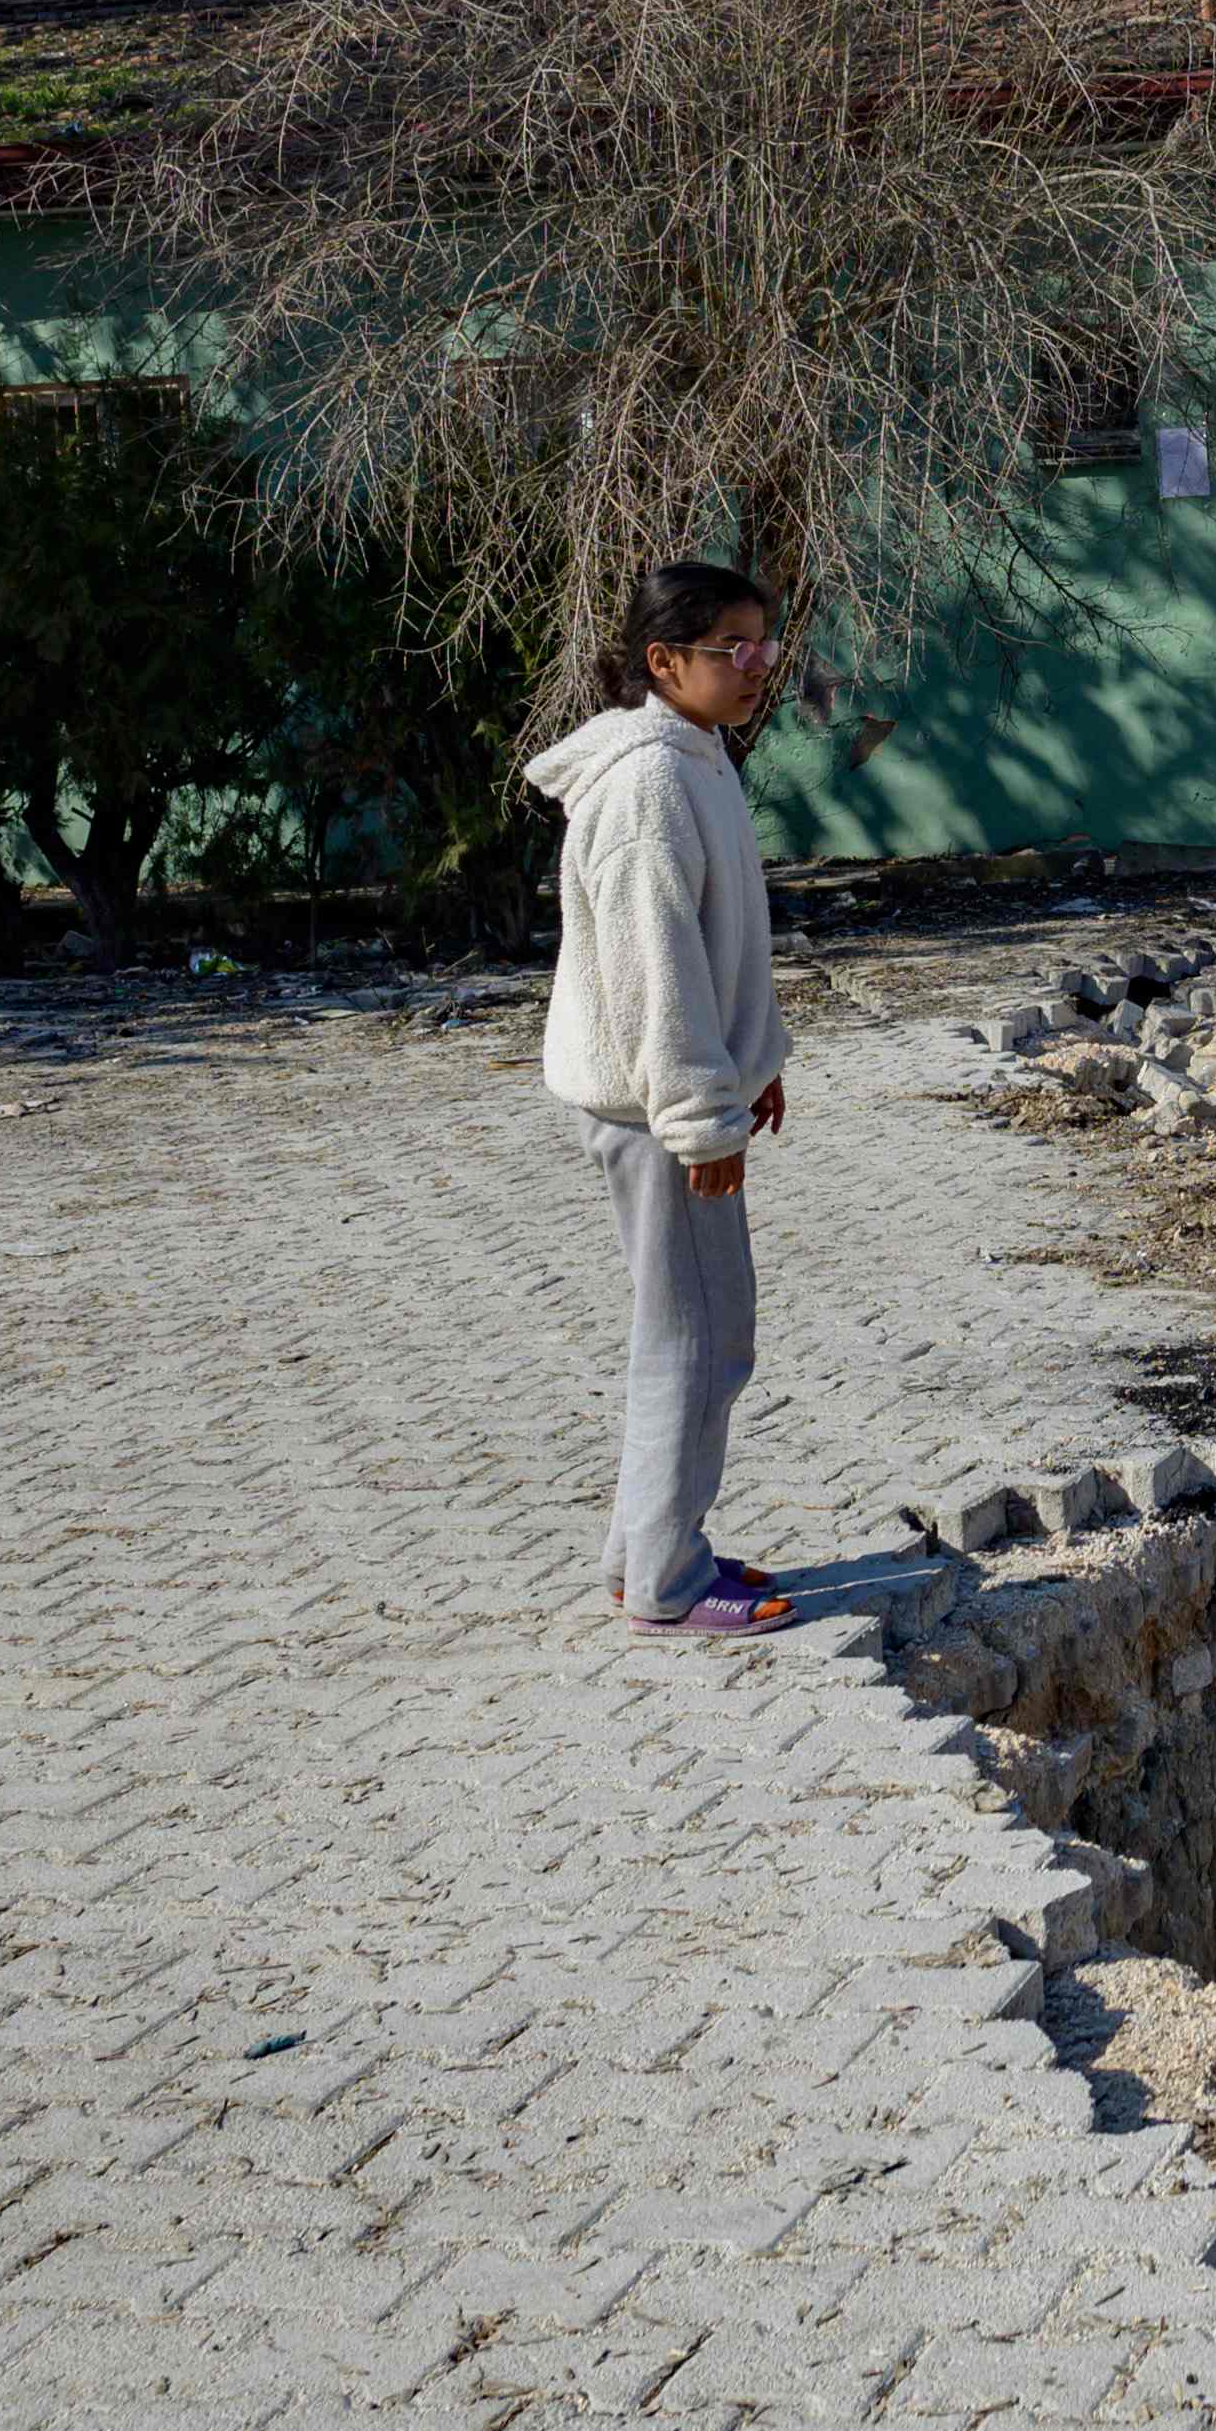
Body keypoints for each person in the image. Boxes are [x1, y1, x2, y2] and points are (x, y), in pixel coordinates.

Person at [531, 560, 799, 1636]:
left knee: (682, 1330)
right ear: (663, 661)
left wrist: (756, 1062)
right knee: (700, 1339)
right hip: (655, 1114)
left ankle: (644, 1549)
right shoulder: (648, 785)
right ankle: (669, 1585)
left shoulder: (699, 758)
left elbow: (722, 942)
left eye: (763, 645)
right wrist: (702, 1118)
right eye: (733, 649)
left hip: (673, 1101)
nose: (756, 667)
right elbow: (658, 975)